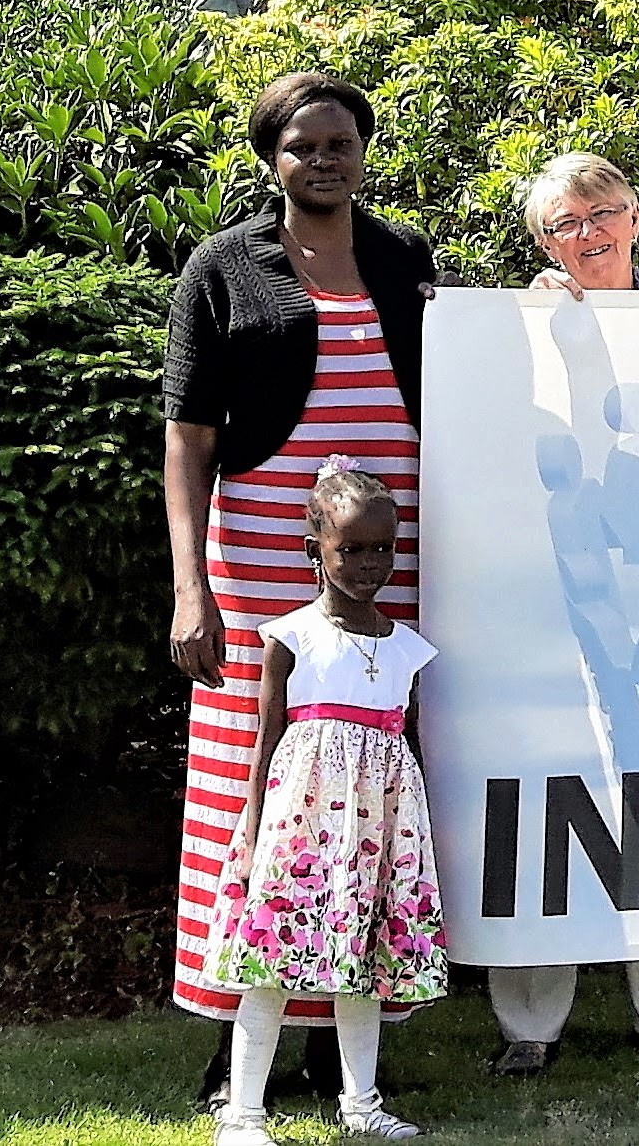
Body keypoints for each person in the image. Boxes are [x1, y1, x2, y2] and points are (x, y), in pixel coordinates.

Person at [164, 71, 433, 1111]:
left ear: (364, 148)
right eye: (303, 145)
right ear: (270, 157)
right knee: (261, 788)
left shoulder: (405, 257)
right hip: (263, 564)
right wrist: (193, 589)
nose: (325, 159)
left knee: (371, 789)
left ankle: (341, 1040)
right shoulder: (223, 265)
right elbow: (188, 441)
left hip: (388, 562)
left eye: (341, 142)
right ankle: (244, 1031)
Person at [485, 153, 639, 1078]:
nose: (587, 234)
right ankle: (530, 1020)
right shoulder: (509, 333)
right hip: (550, 598)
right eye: (564, 223)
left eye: (602, 213)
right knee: (545, 793)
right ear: (541, 241)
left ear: (635, 217)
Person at [206, 460, 443, 1141]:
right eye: (352, 549)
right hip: (302, 832)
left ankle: (361, 1104)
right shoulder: (291, 637)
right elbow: (267, 741)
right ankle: (242, 1113)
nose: (370, 564)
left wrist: (413, 843)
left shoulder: (407, 650)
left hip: (377, 834)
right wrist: (252, 829)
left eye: (382, 549)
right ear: (316, 549)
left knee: (362, 964)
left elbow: (410, 745)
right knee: (270, 961)